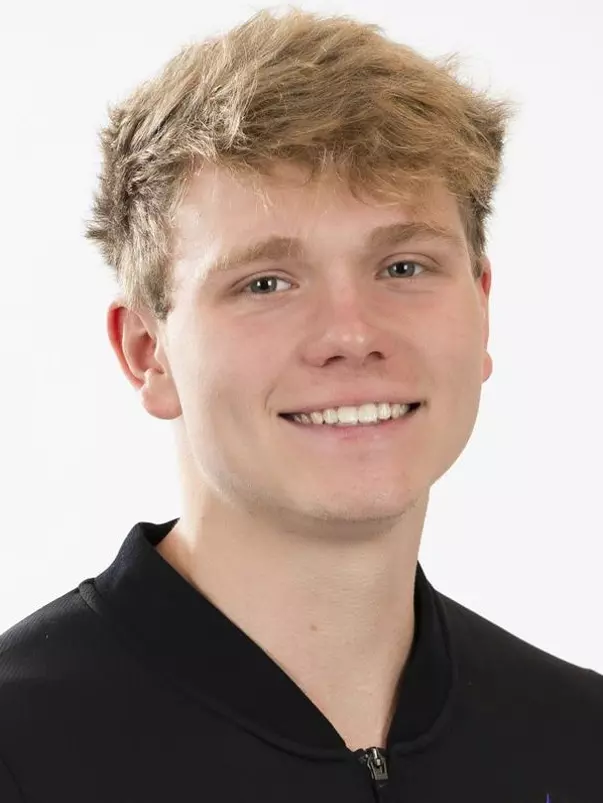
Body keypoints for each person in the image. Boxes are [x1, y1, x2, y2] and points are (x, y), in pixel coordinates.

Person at [0, 7, 601, 802]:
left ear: (481, 308)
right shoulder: (21, 748)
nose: (351, 335)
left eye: (404, 267)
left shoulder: (579, 739)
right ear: (148, 352)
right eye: (265, 283)